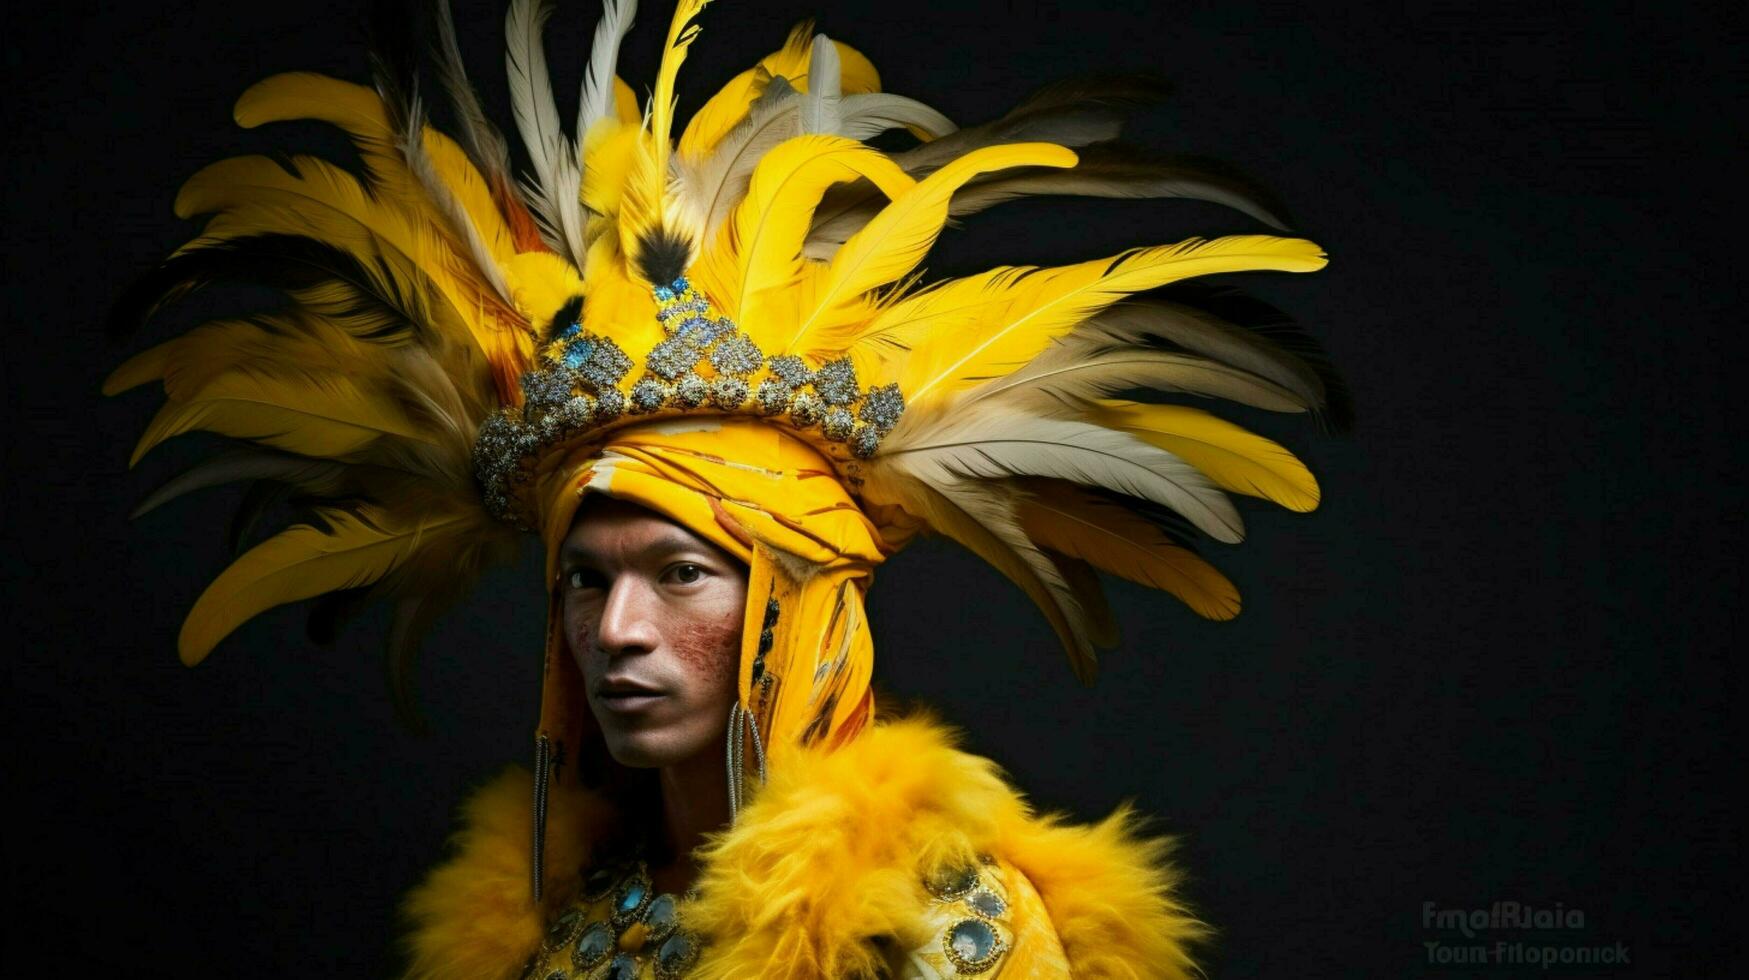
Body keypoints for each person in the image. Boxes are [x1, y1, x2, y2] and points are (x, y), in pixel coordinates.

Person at [108, 1, 1348, 976]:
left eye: (682, 571)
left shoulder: (941, 924)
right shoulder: (567, 921)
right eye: (584, 582)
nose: (618, 633)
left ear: (805, 600)